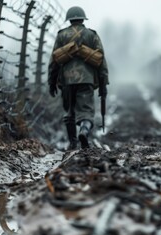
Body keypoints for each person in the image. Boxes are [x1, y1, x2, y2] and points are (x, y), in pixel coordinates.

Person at [48, 6, 109, 149]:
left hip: (66, 80)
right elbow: (101, 61)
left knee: (69, 112)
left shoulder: (62, 35)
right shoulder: (91, 35)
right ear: (83, 18)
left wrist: (51, 82)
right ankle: (83, 130)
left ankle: (72, 142)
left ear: (69, 20)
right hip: (86, 79)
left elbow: (54, 61)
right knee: (86, 111)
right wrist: (103, 83)